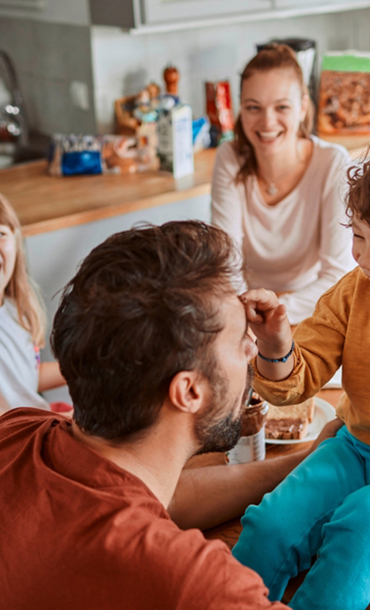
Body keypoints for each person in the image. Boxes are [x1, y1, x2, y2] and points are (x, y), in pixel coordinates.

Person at [0, 220, 340, 610]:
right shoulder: (193, 584)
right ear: (189, 391)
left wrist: (305, 461)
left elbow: (159, 498)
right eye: (238, 339)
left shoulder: (20, 430)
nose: (251, 348)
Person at [232, 160, 370, 610]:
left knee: (354, 533)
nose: (359, 257)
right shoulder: (353, 292)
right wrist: (276, 343)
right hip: (354, 447)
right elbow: (298, 375)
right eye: (359, 238)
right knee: (270, 526)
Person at [211, 43, 354, 324]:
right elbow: (225, 265)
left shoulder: (332, 162)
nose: (267, 122)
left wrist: (271, 309)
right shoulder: (229, 157)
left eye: (282, 107)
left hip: (313, 313)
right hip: (246, 313)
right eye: (254, 107)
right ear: (242, 108)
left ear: (302, 107)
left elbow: (338, 275)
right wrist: (252, 314)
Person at [0, 192, 66, 413]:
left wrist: (85, 369)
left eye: (0, 233)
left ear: (16, 242)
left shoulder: (15, 310)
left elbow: (27, 376)